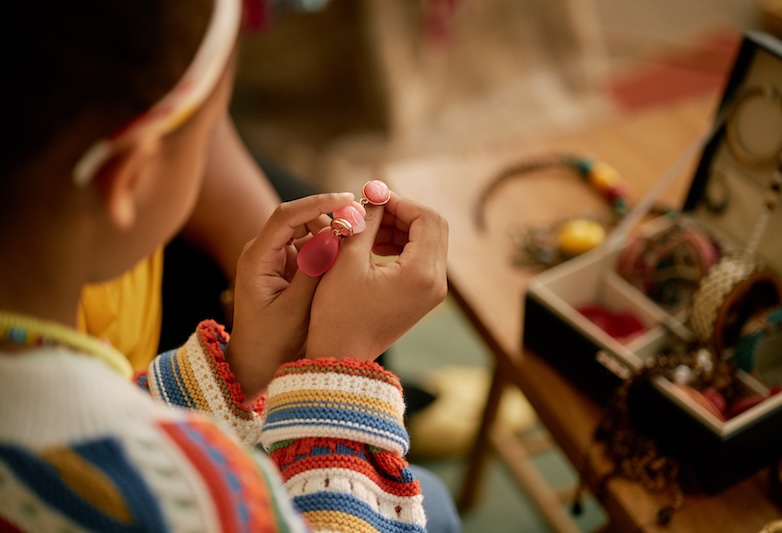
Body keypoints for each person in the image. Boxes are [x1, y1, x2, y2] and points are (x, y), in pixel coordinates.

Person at [0, 1, 452, 532]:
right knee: (435, 502)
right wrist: (339, 380)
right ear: (131, 175)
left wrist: (239, 365)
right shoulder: (198, 498)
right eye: (212, 124)